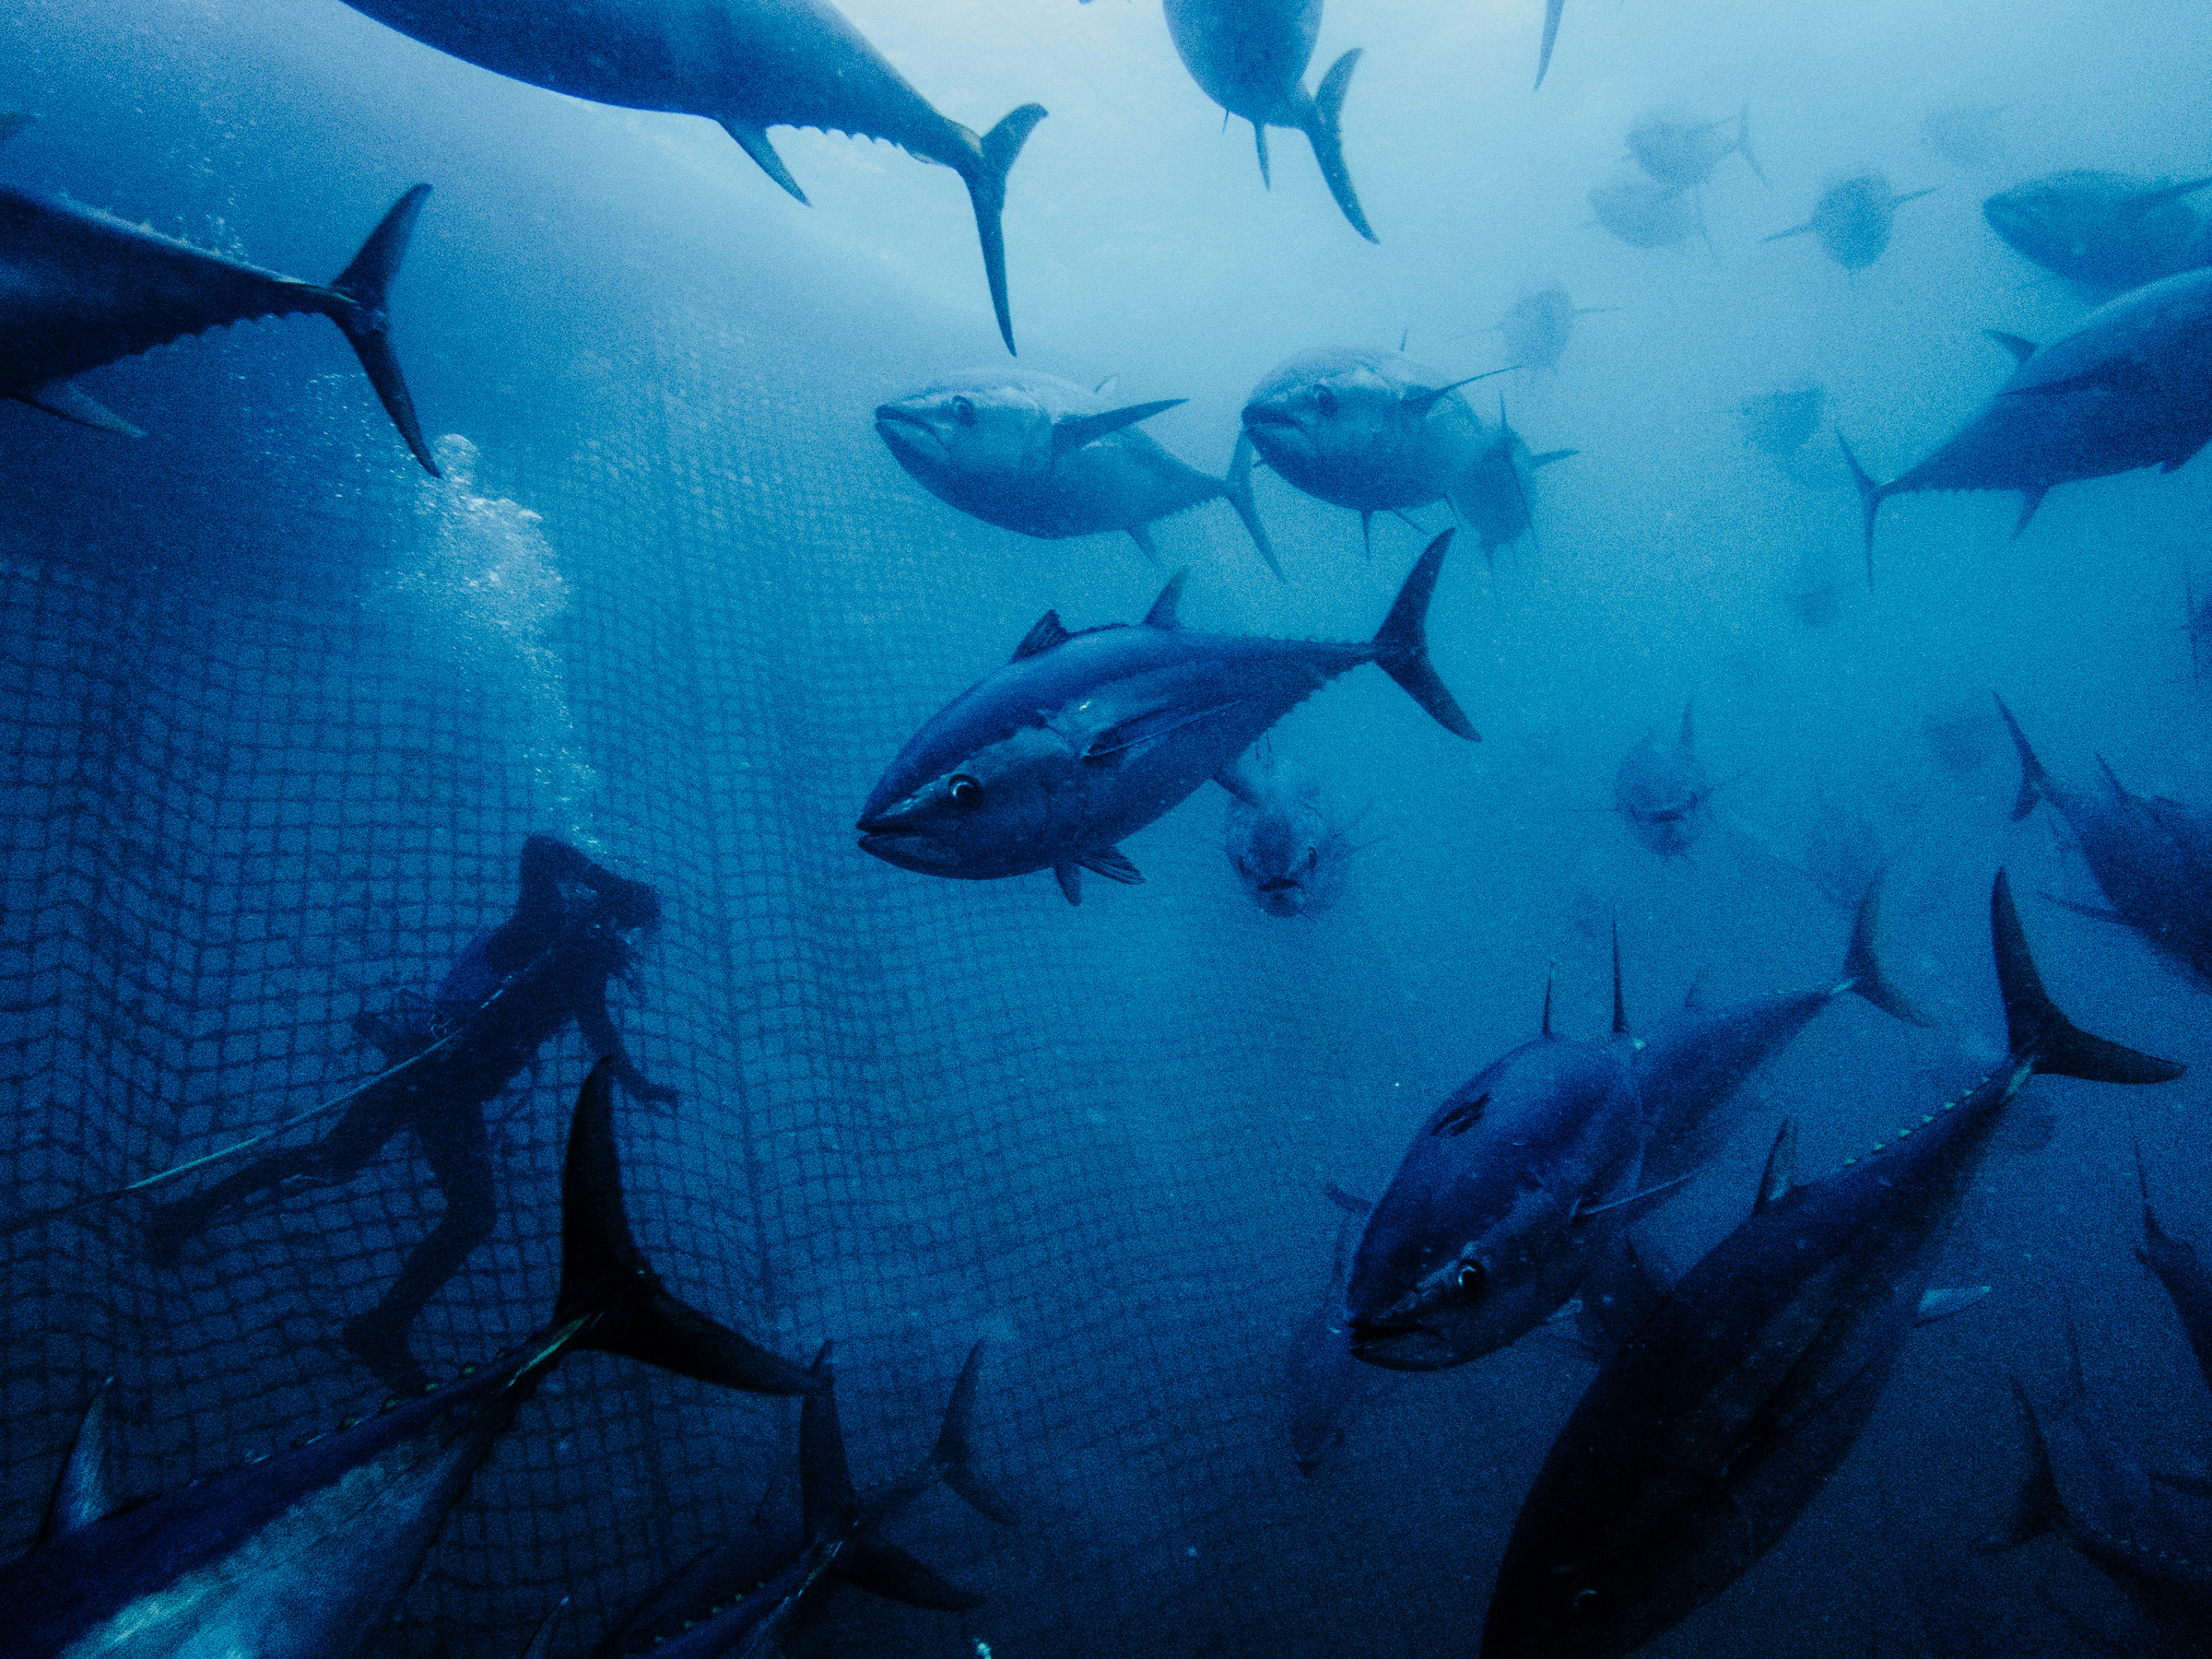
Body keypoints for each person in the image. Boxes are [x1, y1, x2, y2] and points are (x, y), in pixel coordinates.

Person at [146, 835, 677, 1392]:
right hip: (432, 1075)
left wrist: (637, 1084)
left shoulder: (581, 965)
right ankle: (372, 1326)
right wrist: (605, 882)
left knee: (341, 1162)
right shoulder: (544, 924)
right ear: (612, 917)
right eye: (631, 930)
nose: (630, 946)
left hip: (441, 1083)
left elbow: (599, 1029)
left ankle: (191, 1219)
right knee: (407, 1188)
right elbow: (539, 848)